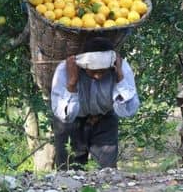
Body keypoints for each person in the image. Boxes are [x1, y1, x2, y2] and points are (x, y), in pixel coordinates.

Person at [51, 37, 140, 170]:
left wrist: (120, 79)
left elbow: (128, 111)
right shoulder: (64, 70)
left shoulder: (121, 68)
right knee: (68, 171)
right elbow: (65, 116)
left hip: (105, 119)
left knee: (108, 172)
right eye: (93, 71)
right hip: (71, 122)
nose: (98, 76)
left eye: (102, 71)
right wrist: (72, 83)